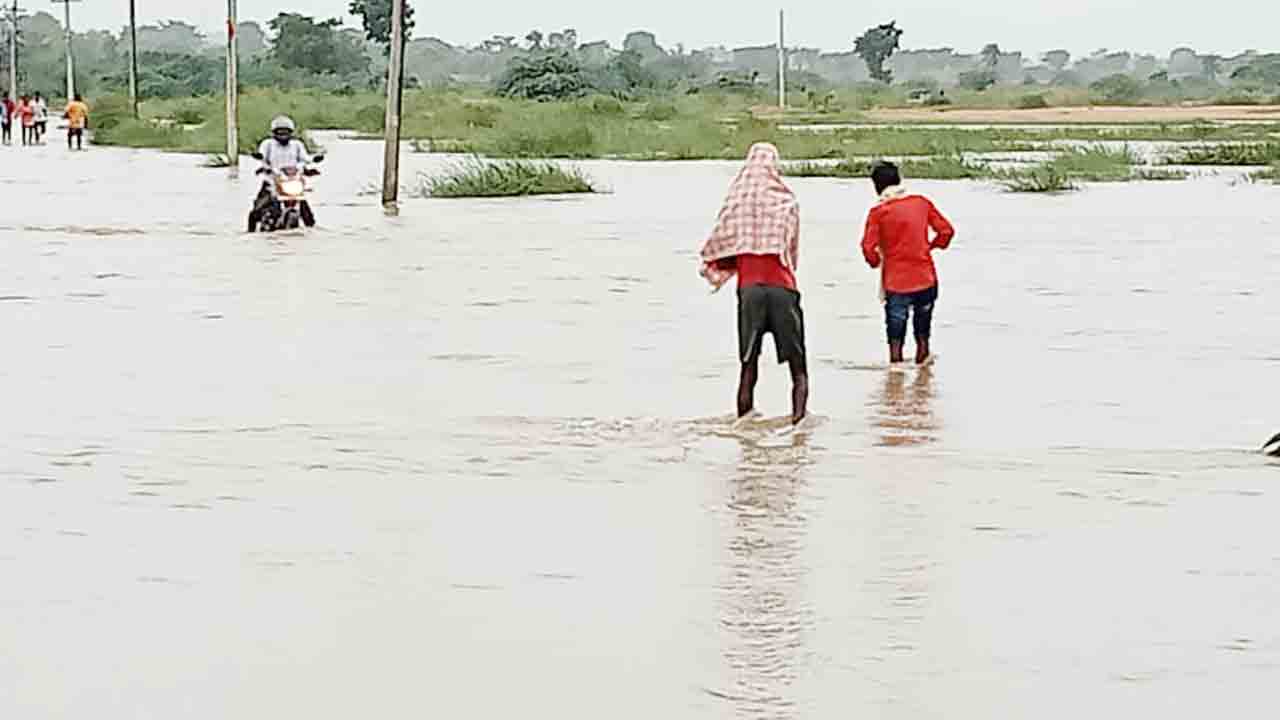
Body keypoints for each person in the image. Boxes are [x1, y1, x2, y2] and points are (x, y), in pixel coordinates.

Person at [700, 142, 809, 426]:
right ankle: (799, 427)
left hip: (749, 292)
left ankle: (744, 430)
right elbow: (791, 252)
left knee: (748, 367)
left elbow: (721, 244)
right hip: (783, 289)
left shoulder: (735, 202)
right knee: (798, 369)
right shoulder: (786, 201)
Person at [860, 161, 955, 366]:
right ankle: (923, 374)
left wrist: (876, 261)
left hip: (896, 283)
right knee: (923, 336)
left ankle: (895, 381)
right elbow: (946, 231)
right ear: (899, 180)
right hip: (926, 278)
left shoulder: (878, 212)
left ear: (876, 186)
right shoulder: (921, 203)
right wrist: (931, 246)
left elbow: (868, 248)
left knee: (895, 340)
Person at [247, 115, 316, 231]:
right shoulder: (268, 144)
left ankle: (311, 230)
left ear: (291, 133)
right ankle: (250, 232)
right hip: (272, 182)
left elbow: (305, 159)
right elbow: (262, 156)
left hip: (292, 181)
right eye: (280, 133)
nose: (283, 135)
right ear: (274, 133)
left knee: (306, 211)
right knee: (256, 211)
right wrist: (264, 167)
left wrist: (308, 168)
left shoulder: (297, 145)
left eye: (286, 133)